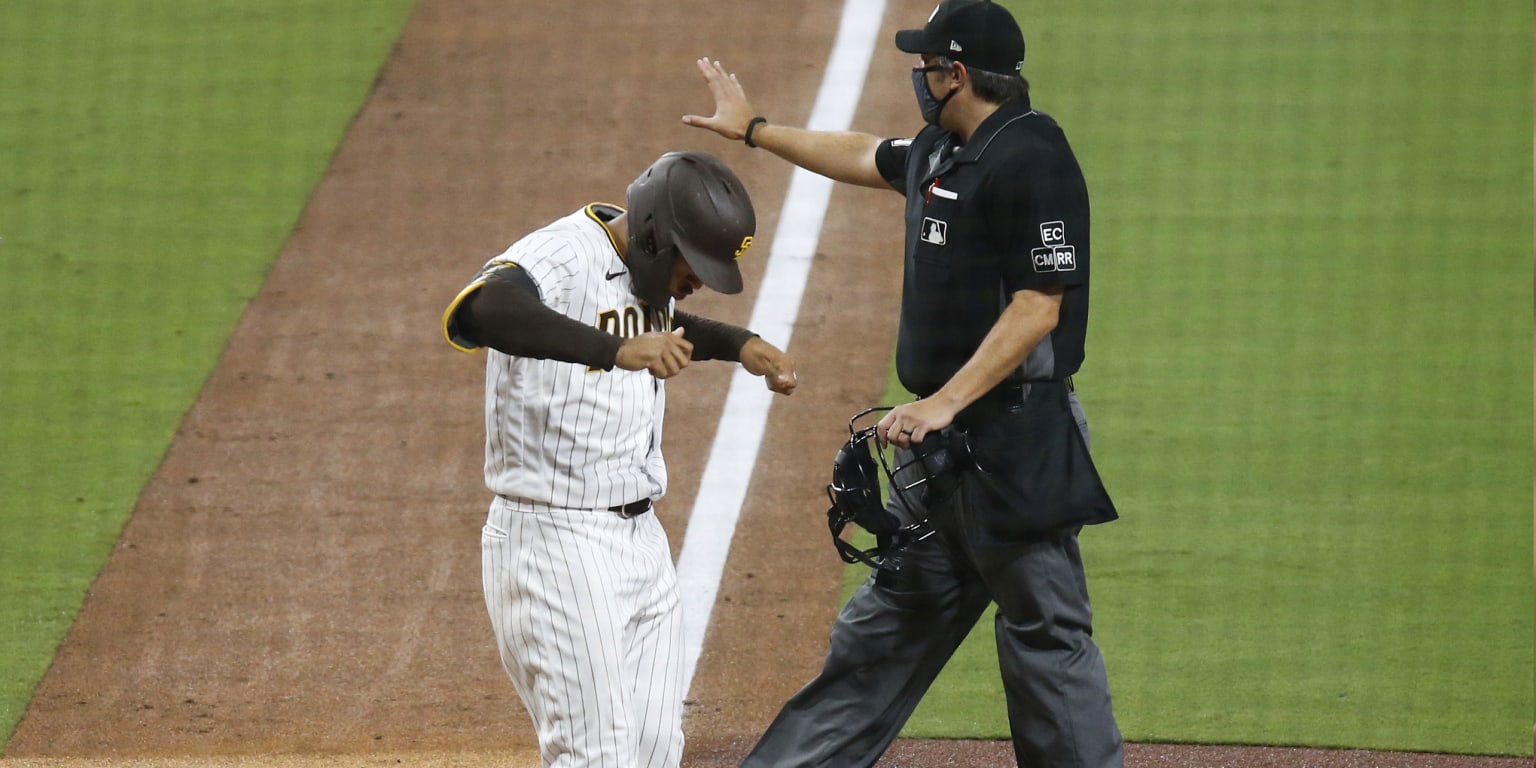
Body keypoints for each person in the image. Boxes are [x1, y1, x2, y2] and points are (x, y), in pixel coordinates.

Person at [683, 1, 1123, 765]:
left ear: (956, 74)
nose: (918, 77)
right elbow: (863, 154)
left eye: (926, 65)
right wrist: (757, 130)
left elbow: (1038, 306)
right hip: (936, 456)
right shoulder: (941, 151)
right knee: (885, 632)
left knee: (1045, 643)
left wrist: (944, 403)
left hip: (1016, 446)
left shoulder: (1033, 159)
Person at [440, 150, 797, 768]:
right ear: (659, 237)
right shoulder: (560, 253)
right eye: (695, 267)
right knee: (597, 755)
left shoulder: (643, 271)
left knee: (656, 749)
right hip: (556, 540)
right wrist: (613, 351)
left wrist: (739, 343)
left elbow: (658, 321)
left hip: (640, 541)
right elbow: (482, 310)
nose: (698, 283)